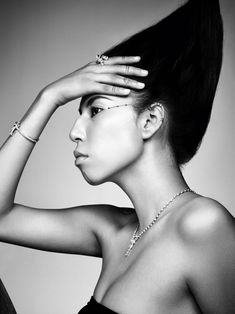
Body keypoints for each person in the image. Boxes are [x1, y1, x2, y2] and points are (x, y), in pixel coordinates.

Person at [0, 0, 234, 313]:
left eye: (95, 110)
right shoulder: (112, 229)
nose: (75, 132)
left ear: (149, 121)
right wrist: (49, 97)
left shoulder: (202, 225)